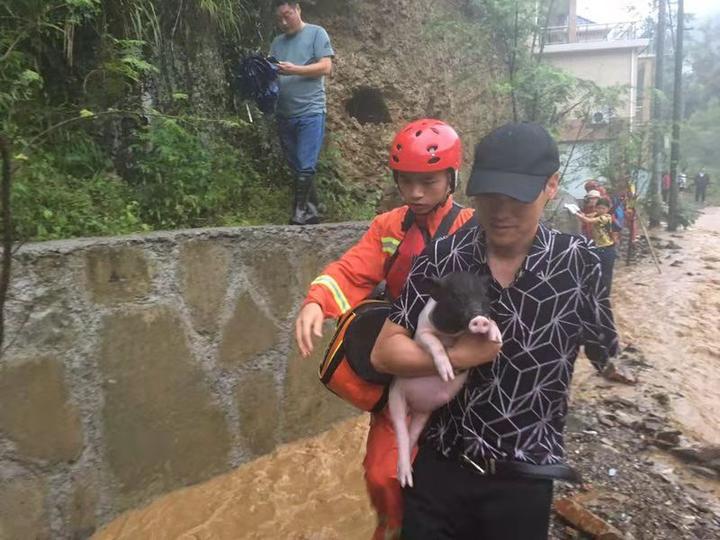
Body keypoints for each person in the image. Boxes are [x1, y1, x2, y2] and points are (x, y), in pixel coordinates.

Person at [371, 122, 620, 540]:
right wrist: (461, 356)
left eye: (517, 198)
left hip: (524, 482)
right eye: (489, 198)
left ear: (551, 186)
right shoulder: (444, 255)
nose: (501, 212)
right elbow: (384, 353)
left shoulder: (581, 264)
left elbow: (605, 347)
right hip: (438, 472)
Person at [295, 119, 477, 540]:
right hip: (403, 362)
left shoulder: (472, 229)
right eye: (406, 182)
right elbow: (353, 270)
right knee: (381, 474)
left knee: (456, 475)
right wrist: (316, 302)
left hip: (465, 366)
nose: (415, 193)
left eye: (427, 182)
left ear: (451, 178)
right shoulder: (389, 227)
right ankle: (394, 527)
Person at [270, 1, 334, 225]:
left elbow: (326, 67)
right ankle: (313, 211)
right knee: (296, 164)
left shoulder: (316, 33)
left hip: (311, 111)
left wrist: (294, 69)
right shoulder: (277, 42)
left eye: (287, 15)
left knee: (306, 163)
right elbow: (272, 73)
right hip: (284, 113)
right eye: (279, 19)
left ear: (298, 9)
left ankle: (298, 213)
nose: (284, 22)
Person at [575, 197, 617, 295]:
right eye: (598, 208)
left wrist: (576, 214)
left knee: (606, 274)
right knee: (596, 271)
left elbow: (587, 220)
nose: (601, 210)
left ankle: (605, 295)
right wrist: (578, 212)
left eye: (603, 208)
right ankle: (597, 293)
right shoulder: (596, 214)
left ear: (608, 209)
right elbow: (586, 216)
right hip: (598, 248)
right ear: (596, 208)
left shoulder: (606, 217)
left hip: (607, 249)